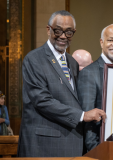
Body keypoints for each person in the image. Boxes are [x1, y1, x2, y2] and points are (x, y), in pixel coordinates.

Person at [18, 10, 106, 157]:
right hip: (44, 147)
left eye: (69, 32)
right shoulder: (34, 59)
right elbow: (42, 101)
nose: (63, 36)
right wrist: (82, 115)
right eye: (58, 31)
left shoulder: (72, 62)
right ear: (48, 30)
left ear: (74, 33)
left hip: (70, 145)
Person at [77, 23, 113, 151]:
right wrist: (96, 152)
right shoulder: (89, 73)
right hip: (100, 149)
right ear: (101, 42)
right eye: (110, 40)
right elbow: (87, 119)